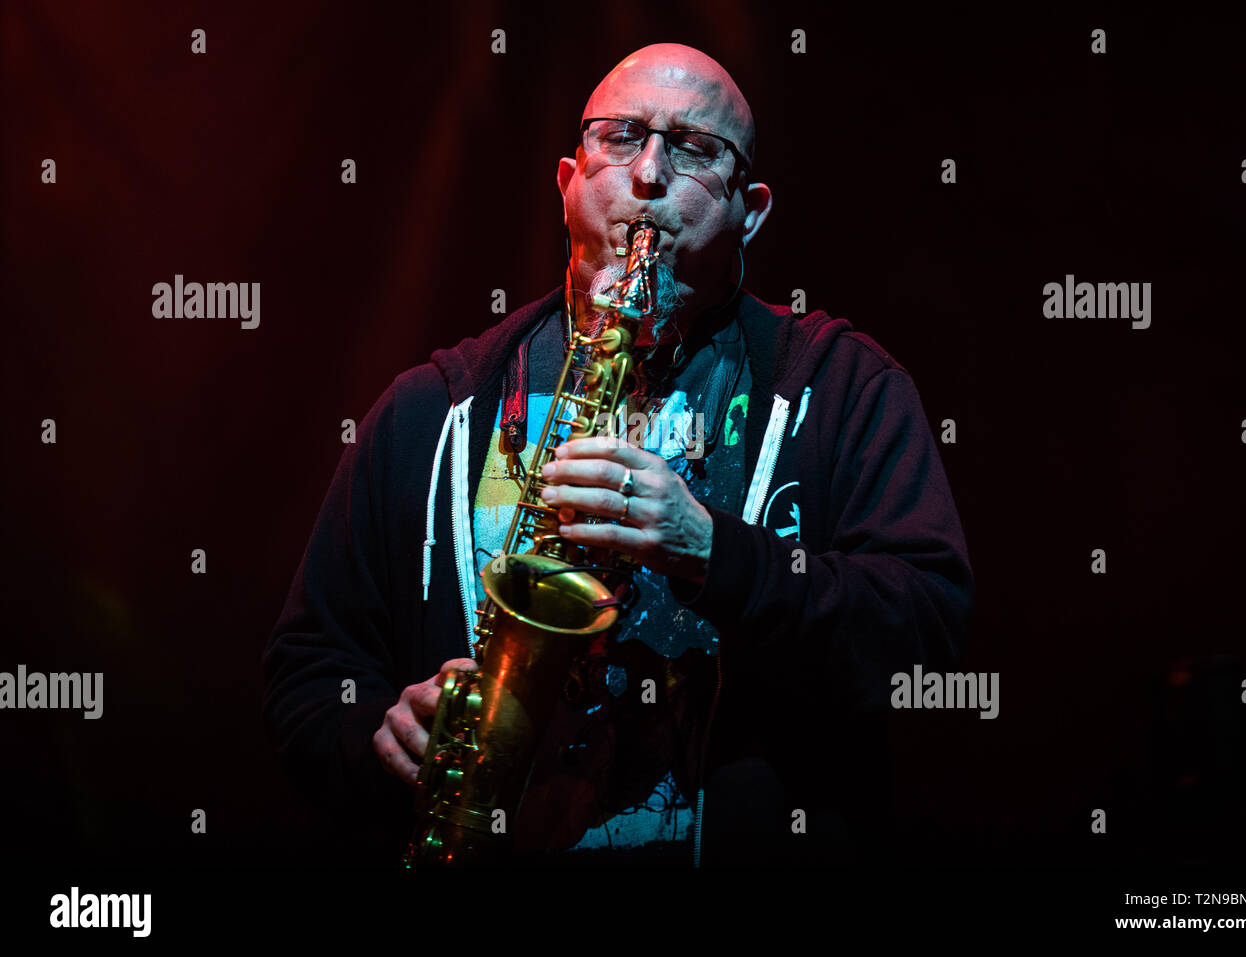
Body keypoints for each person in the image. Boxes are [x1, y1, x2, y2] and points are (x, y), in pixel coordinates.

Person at [262, 42, 974, 867]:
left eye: (696, 150)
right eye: (623, 135)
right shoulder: (430, 411)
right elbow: (307, 674)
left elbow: (926, 637)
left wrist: (716, 553)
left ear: (752, 208)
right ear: (568, 180)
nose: (649, 176)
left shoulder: (846, 387)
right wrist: (376, 736)